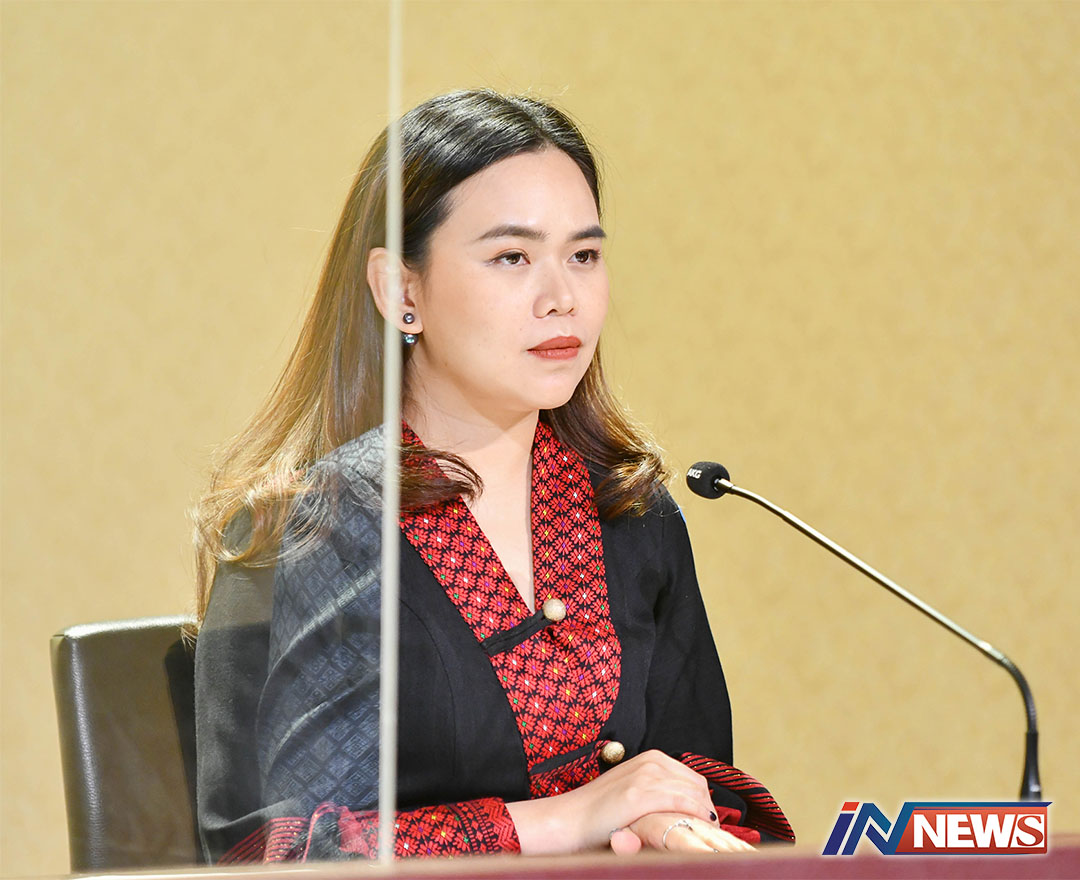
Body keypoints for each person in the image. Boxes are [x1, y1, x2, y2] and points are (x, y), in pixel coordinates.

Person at [192, 88, 794, 864]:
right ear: (401, 291)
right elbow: (268, 855)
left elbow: (700, 782)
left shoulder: (632, 512)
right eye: (513, 257)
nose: (562, 298)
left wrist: (669, 822)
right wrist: (569, 818)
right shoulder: (310, 533)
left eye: (584, 256)